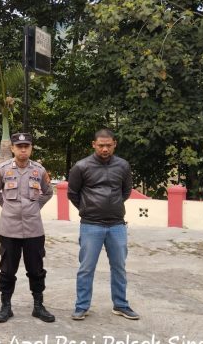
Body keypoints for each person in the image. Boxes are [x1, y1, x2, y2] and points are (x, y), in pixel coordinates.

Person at [67, 129, 138, 321]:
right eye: (101, 145)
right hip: (91, 225)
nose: (105, 149)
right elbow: (72, 193)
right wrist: (89, 208)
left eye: (108, 145)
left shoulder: (123, 166)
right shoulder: (81, 167)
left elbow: (126, 191)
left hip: (117, 225)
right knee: (86, 268)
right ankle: (82, 307)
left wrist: (112, 206)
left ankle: (121, 305)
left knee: (119, 267)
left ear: (114, 144)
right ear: (94, 145)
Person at [0, 133, 55, 323]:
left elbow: (48, 192)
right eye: (19, 146)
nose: (23, 149)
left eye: (26, 146)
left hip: (34, 229)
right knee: (8, 271)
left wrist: (35, 207)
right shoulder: (2, 170)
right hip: (9, 229)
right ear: (13, 148)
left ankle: (38, 306)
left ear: (31, 148)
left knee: (36, 269)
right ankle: (6, 306)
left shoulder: (39, 171)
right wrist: (8, 208)